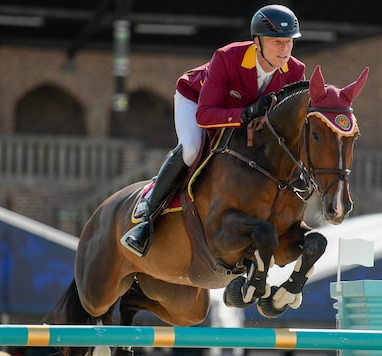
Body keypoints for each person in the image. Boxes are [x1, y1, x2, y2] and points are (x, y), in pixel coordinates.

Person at [121, 4, 306, 257]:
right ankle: (148, 217)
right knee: (191, 149)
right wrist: (246, 113)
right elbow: (205, 115)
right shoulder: (227, 57)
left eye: (289, 42)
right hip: (197, 101)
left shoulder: (295, 71)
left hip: (242, 116)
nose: (285, 49)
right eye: (277, 42)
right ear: (257, 42)